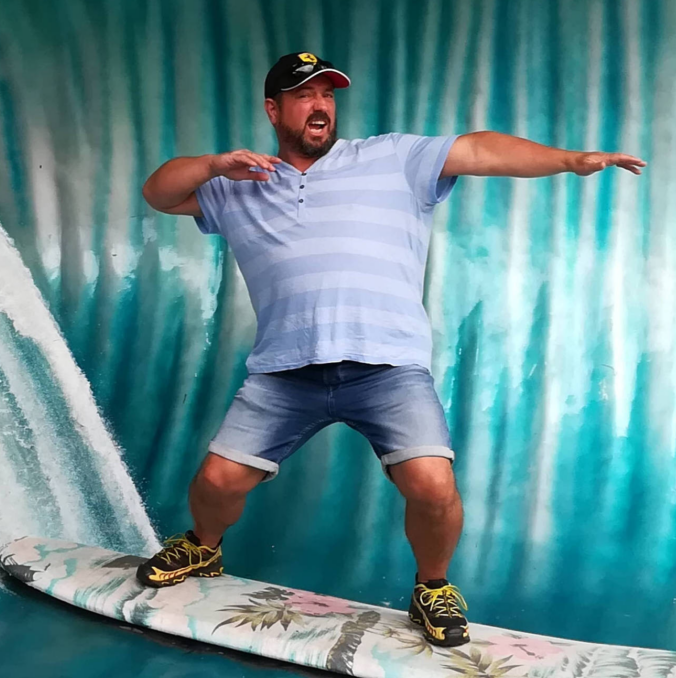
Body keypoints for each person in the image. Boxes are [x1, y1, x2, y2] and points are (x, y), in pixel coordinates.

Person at [138, 52, 645, 647]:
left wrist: (570, 161)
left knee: (433, 485)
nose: (320, 105)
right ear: (274, 110)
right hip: (284, 372)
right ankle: (204, 548)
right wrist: (213, 164)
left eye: (328, 94)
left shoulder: (392, 157)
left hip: (387, 368)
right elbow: (158, 193)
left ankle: (432, 587)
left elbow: (479, 150)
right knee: (217, 483)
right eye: (304, 95)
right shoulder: (239, 184)